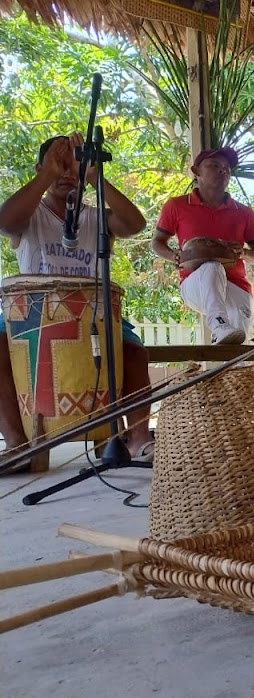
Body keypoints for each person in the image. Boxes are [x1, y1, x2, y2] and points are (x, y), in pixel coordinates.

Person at [0, 133, 155, 465]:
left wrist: (97, 179)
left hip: (95, 312)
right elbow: (5, 221)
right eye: (59, 165)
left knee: (134, 352)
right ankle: (16, 444)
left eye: (74, 165)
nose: (67, 173)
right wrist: (47, 176)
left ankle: (139, 440)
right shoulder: (32, 213)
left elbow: (135, 224)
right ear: (40, 168)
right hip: (28, 313)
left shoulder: (94, 216)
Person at [151, 147, 254, 345]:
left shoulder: (244, 212)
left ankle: (222, 339)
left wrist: (244, 253)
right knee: (213, 267)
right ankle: (219, 325)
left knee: (240, 348)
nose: (222, 170)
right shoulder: (177, 205)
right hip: (194, 284)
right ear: (196, 171)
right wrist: (174, 256)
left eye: (226, 168)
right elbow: (157, 243)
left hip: (236, 286)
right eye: (214, 166)